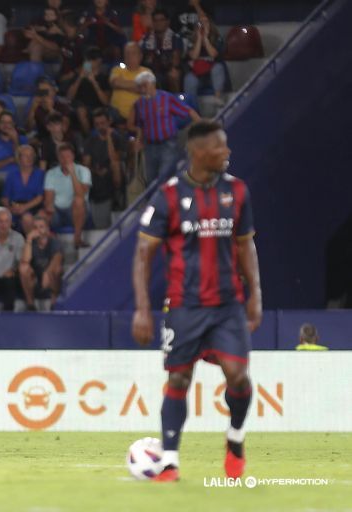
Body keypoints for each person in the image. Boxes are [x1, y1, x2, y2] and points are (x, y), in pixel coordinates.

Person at [132, 119, 261, 483]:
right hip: (183, 306)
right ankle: (169, 462)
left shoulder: (237, 191)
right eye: (220, 146)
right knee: (178, 378)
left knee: (237, 377)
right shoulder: (169, 195)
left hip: (227, 305)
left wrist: (256, 295)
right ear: (199, 152)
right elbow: (143, 253)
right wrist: (142, 309)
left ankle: (235, 438)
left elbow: (245, 245)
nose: (227, 151)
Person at [128, 71, 199, 184]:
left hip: (168, 145)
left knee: (164, 177)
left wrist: (203, 126)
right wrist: (139, 140)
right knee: (151, 180)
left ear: (152, 84)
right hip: (149, 146)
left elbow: (188, 111)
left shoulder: (166, 98)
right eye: (140, 86)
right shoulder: (139, 104)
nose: (142, 89)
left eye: (144, 85)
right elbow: (141, 125)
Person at [82, 108, 125, 228]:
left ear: (109, 122)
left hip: (114, 175)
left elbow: (115, 158)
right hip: (96, 176)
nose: (100, 127)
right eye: (97, 124)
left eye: (103, 123)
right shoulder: (90, 141)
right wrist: (96, 170)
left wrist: (109, 138)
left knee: (115, 166)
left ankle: (117, 200)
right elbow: (86, 163)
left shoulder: (117, 138)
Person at [44, 143, 92, 247]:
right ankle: (46, 245)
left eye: (68, 156)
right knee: (41, 214)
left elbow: (81, 194)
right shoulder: (51, 173)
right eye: (62, 156)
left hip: (78, 211)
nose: (65, 159)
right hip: (58, 212)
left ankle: (77, 239)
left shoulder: (84, 171)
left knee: (78, 201)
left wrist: (73, 174)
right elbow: (49, 198)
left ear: (73, 156)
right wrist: (49, 207)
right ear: (58, 158)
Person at [19, 211, 64, 310]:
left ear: (47, 229)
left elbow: (57, 259)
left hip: (50, 278)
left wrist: (47, 272)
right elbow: (25, 261)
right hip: (35, 278)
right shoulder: (30, 243)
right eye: (35, 227)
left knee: (57, 269)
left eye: (41, 227)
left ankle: (54, 302)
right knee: (23, 268)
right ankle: (31, 305)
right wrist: (29, 239)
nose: (38, 230)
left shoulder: (54, 241)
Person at [66, 46, 111, 135]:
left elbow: (106, 101)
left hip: (97, 107)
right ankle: (88, 137)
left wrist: (94, 82)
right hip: (80, 105)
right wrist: (80, 78)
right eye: (86, 60)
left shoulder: (104, 78)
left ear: (98, 61)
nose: (88, 63)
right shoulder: (79, 76)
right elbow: (69, 97)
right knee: (81, 110)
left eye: (90, 60)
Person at [183, 12, 227, 101]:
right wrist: (199, 38)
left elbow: (213, 54)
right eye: (200, 22)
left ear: (210, 24)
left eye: (205, 22)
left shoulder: (218, 39)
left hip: (212, 76)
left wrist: (206, 38)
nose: (203, 25)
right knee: (189, 79)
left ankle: (217, 100)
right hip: (198, 76)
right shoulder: (191, 40)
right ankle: (191, 106)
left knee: (218, 68)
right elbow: (194, 56)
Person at [139, 8, 184, 93]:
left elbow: (176, 61)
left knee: (174, 74)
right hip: (150, 70)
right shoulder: (146, 38)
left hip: (168, 70)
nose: (158, 23)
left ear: (167, 22)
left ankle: (174, 99)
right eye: (155, 20)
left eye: (161, 20)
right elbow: (141, 56)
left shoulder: (175, 38)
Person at [3, 145, 46, 226]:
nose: (29, 158)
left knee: (27, 218)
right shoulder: (11, 175)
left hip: (34, 207)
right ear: (19, 158)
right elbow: (5, 198)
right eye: (25, 156)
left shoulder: (40, 174)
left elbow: (39, 198)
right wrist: (10, 209)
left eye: (31, 155)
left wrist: (24, 207)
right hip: (15, 207)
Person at [109, 42, 152, 121]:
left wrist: (122, 84)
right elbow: (115, 83)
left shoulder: (146, 72)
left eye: (133, 53)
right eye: (127, 53)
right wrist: (139, 86)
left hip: (137, 116)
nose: (129, 56)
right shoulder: (117, 69)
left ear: (140, 56)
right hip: (115, 114)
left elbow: (147, 90)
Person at [0, 111, 28, 184]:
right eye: (3, 122)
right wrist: (9, 160)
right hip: (0, 176)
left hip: (20, 174)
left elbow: (24, 162)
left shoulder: (22, 139)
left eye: (9, 122)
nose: (6, 125)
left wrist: (15, 141)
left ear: (13, 124)